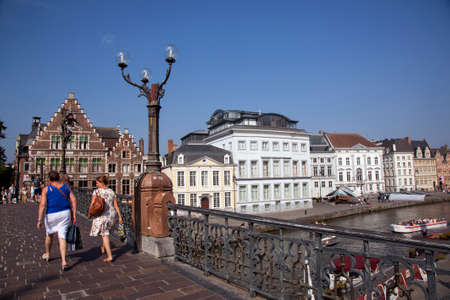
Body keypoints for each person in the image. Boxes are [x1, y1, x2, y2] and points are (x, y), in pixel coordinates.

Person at [37, 171, 77, 271]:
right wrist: (74, 214)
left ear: (49, 179)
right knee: (62, 237)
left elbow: (42, 205)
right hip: (65, 213)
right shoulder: (66, 187)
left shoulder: (46, 189)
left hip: (51, 214)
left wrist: (39, 219)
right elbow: (74, 200)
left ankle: (47, 254)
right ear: (59, 177)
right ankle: (64, 261)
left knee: (49, 234)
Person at [89, 175, 123, 263]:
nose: (96, 184)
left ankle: (110, 256)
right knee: (105, 232)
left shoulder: (96, 192)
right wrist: (119, 216)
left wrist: (90, 213)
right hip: (111, 215)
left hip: (102, 215)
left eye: (97, 182)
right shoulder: (111, 191)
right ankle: (104, 246)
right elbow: (115, 205)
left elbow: (92, 204)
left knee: (104, 234)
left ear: (101, 183)